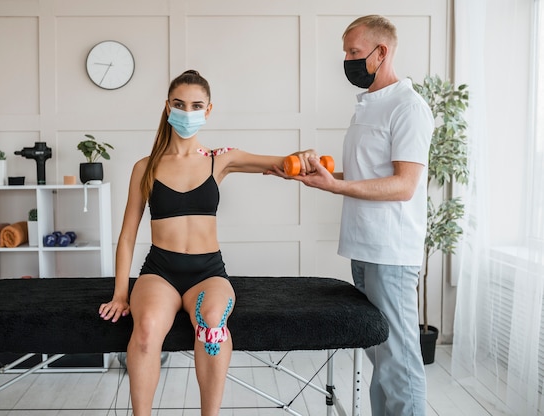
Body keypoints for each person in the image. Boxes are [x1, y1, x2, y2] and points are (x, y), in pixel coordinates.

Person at [98, 69, 315, 416]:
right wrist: (120, 293)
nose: (187, 111)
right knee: (147, 330)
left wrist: (302, 156)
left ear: (208, 110)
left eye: (196, 105)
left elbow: (280, 163)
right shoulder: (146, 167)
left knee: (213, 322)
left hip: (208, 272)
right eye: (179, 104)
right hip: (160, 272)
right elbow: (127, 236)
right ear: (167, 107)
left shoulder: (220, 158)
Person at [271, 15, 434, 416]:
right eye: (346, 51)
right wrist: (324, 177)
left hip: (391, 253)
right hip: (365, 250)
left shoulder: (408, 107)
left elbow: (403, 185)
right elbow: (367, 176)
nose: (347, 60)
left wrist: (337, 186)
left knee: (398, 362)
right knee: (382, 356)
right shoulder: (369, 106)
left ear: (382, 52)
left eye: (354, 52)